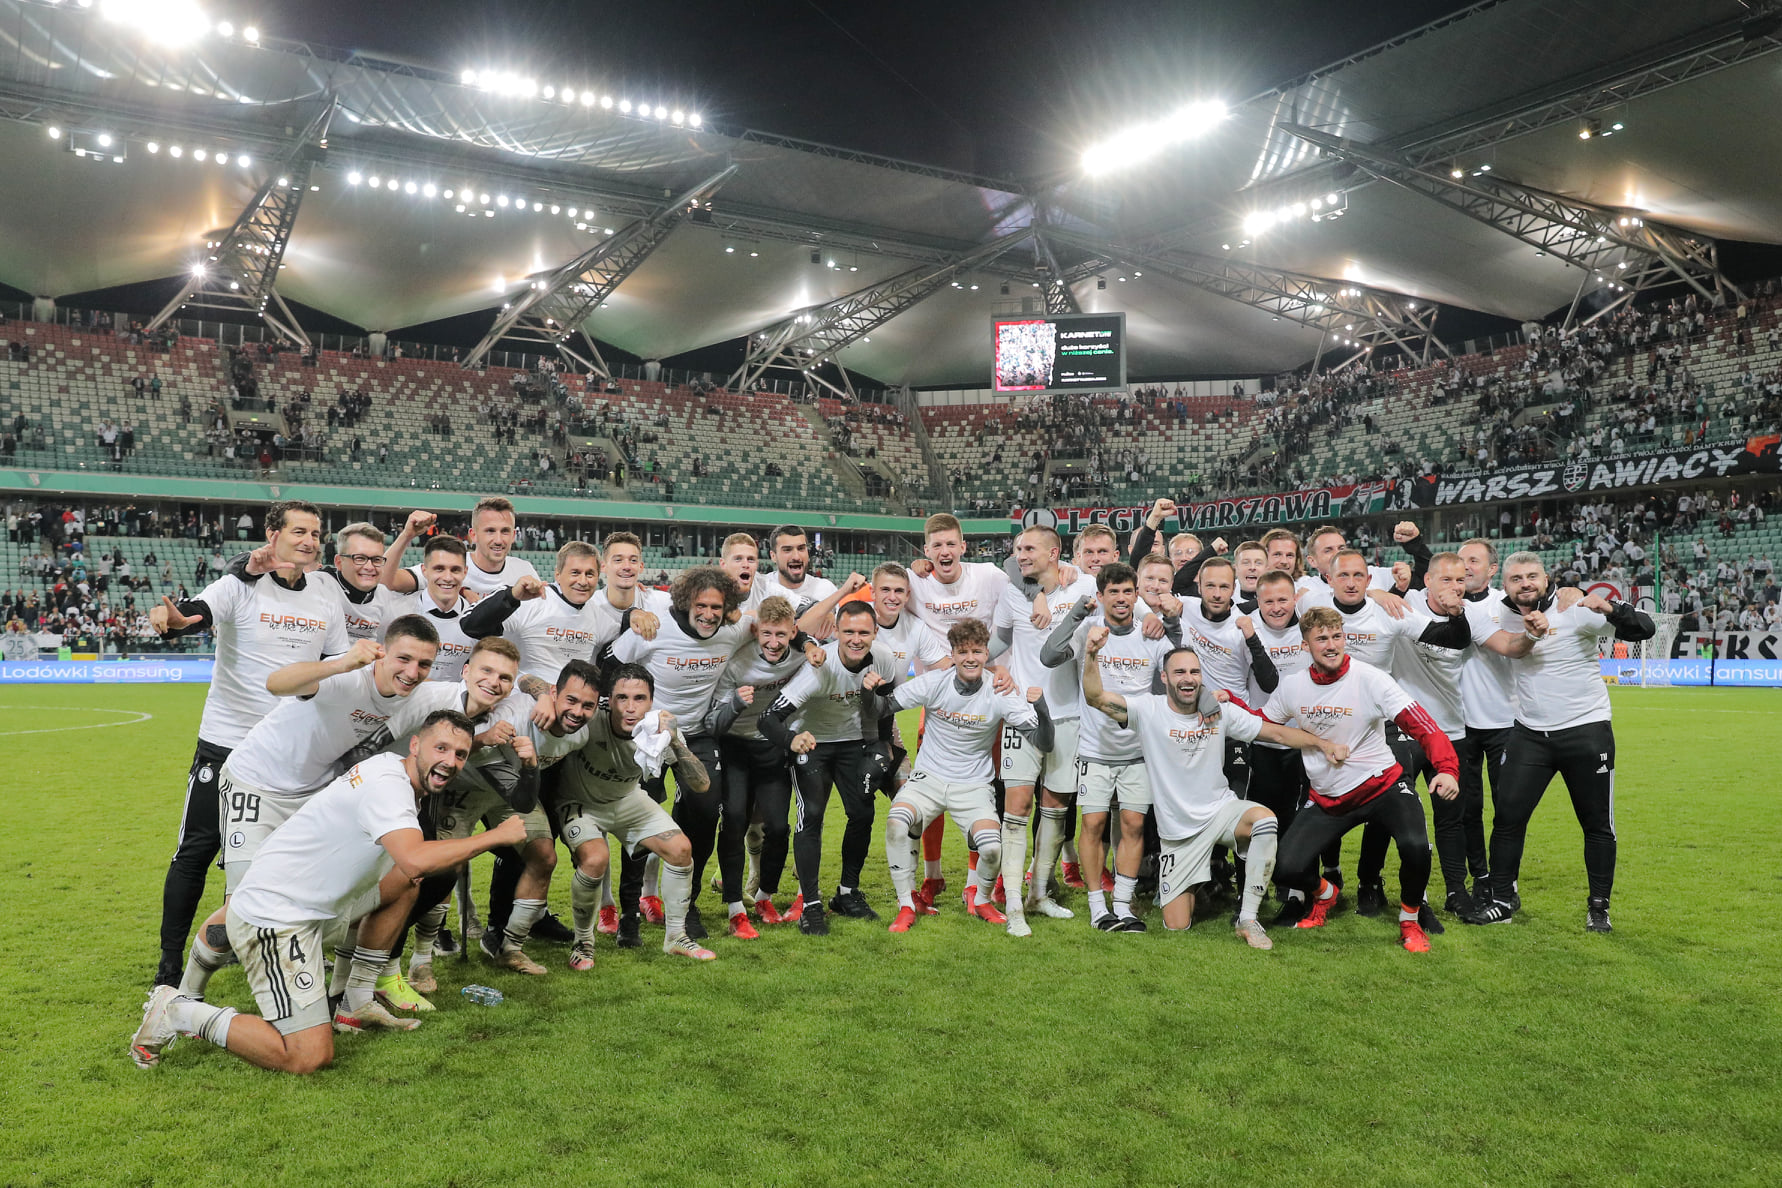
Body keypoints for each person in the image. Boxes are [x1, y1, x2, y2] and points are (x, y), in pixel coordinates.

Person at [129, 711, 528, 1074]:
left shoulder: (393, 771)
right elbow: (413, 858)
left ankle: (354, 1002)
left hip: (309, 900)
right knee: (307, 1055)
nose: (451, 761)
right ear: (415, 745)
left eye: (460, 754)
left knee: (407, 884)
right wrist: (494, 836)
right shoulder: (389, 787)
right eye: (441, 748)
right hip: (278, 920)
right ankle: (179, 1010)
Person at [172, 618, 442, 1016]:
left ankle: (343, 1000)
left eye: (424, 664)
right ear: (383, 652)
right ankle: (181, 998)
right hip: (257, 783)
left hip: (314, 794)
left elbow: (481, 689)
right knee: (247, 907)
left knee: (350, 884)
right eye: (404, 659)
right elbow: (276, 683)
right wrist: (342, 663)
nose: (413, 672)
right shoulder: (348, 675)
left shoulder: (420, 694)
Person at [146, 500, 349, 988]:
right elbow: (195, 614)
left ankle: (265, 941)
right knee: (196, 852)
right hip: (227, 744)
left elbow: (339, 662)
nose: (309, 540)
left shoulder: (326, 591)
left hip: (291, 751)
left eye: (315, 533)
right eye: (299, 531)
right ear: (272, 535)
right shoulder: (239, 584)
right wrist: (174, 619)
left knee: (286, 858)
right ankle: (169, 967)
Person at [1080, 626, 1343, 946]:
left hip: (1220, 812)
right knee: (1177, 925)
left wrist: (1322, 744)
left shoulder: (1220, 713)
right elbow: (1096, 697)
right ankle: (1196, 884)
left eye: (1194, 672)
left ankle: (1248, 919)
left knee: (1264, 821)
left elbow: (1275, 733)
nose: (1188, 678)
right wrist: (1091, 653)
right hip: (1178, 835)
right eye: (1179, 672)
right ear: (1164, 678)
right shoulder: (1148, 710)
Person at [1467, 553, 1654, 931]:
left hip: (1586, 731)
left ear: (1546, 578)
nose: (1525, 583)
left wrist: (1609, 606)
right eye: (1516, 578)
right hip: (1529, 734)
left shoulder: (1576, 609)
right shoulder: (1497, 614)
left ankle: (1598, 908)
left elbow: (1644, 629)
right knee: (1507, 819)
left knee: (1596, 824)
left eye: (1532, 576)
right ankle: (1502, 901)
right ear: (1505, 585)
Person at [1259, 607, 1460, 952]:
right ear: (1305, 645)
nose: (1331, 645)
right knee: (1284, 869)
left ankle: (1410, 922)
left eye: (1337, 636)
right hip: (1329, 798)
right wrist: (1227, 704)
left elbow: (1423, 726)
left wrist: (1446, 768)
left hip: (1383, 787)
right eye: (1322, 638)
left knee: (1416, 848)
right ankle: (1326, 894)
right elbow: (1261, 723)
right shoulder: (1293, 686)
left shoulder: (1371, 679)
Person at [882, 618, 1053, 935]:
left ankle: (983, 900)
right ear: (953, 654)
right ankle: (906, 904)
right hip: (928, 779)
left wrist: (1041, 708)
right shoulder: (934, 682)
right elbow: (883, 706)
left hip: (974, 786)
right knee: (896, 822)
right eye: (963, 652)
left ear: (987, 653)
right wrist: (870, 687)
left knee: (991, 849)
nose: (970, 658)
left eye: (977, 651)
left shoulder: (1000, 691)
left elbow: (1044, 742)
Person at [544, 661, 719, 964]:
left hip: (627, 799)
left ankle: (676, 937)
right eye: (621, 698)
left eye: (639, 698)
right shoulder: (588, 716)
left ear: (651, 701)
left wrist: (674, 740)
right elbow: (539, 688)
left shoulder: (658, 730)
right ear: (608, 700)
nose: (630, 707)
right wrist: (541, 697)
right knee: (595, 859)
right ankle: (583, 943)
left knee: (681, 849)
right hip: (580, 803)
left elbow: (701, 785)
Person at [1042, 561, 1177, 929]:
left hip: (1139, 751)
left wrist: (1170, 623)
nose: (1120, 598)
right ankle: (1097, 907)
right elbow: (1049, 656)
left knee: (1133, 825)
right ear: (1100, 596)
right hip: (1095, 750)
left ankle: (1123, 904)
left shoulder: (1150, 634)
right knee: (1094, 824)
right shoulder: (1088, 628)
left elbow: (1181, 667)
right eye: (1112, 592)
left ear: (1136, 595)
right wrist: (1077, 614)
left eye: (1127, 591)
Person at [759, 601, 901, 936]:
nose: (856, 639)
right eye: (848, 631)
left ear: (875, 633)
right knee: (811, 816)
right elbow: (768, 719)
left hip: (853, 743)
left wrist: (882, 746)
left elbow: (884, 707)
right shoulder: (819, 668)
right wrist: (792, 740)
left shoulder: (884, 658)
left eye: (863, 632)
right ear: (835, 632)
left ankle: (847, 894)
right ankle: (810, 905)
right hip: (813, 744)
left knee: (862, 813)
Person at [989, 525, 1096, 931]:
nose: (1021, 555)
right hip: (1022, 714)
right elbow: (998, 642)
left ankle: (1039, 894)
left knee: (1056, 807)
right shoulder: (1012, 593)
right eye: (1018, 548)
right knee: (1016, 808)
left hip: (1070, 715)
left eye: (1029, 548)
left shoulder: (1082, 584)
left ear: (1054, 553)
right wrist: (990, 666)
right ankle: (1015, 906)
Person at [704, 596, 810, 931]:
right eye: (767, 634)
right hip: (735, 748)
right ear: (756, 631)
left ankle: (764, 896)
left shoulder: (801, 658)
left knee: (777, 827)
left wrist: (811, 645)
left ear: (793, 632)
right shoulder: (738, 663)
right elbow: (713, 724)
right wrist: (735, 704)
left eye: (781, 634)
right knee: (734, 820)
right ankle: (735, 906)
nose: (773, 642)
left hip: (772, 748)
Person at [382, 498, 538, 600]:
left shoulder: (524, 570)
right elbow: (385, 582)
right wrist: (406, 536)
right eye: (490, 531)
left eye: (505, 531)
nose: (498, 540)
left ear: (513, 535)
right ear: (473, 535)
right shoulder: (449, 567)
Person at [402, 536, 477, 682]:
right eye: (439, 569)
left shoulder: (477, 619)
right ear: (424, 571)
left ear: (465, 572)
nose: (448, 577)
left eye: (455, 570)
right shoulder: (401, 610)